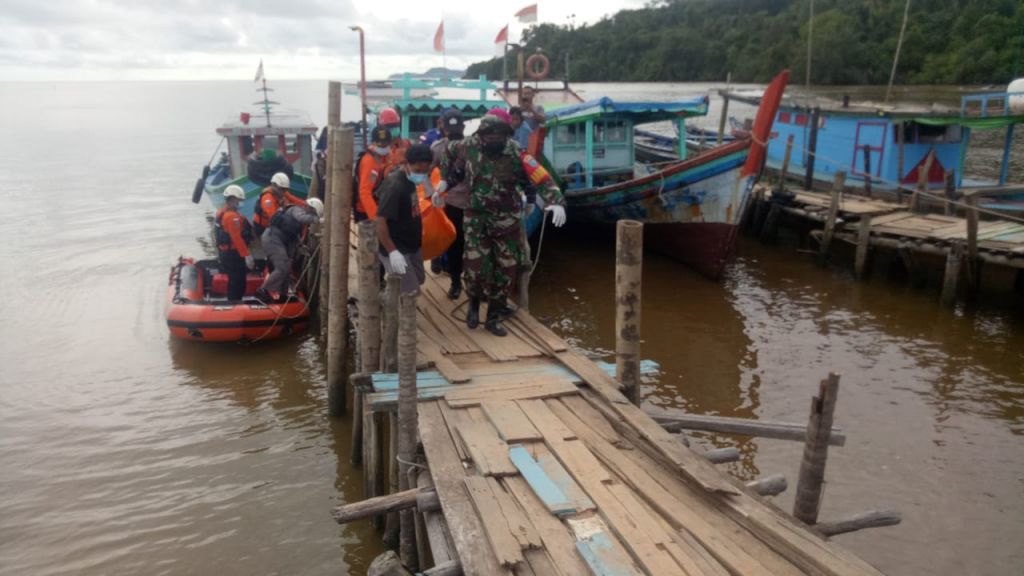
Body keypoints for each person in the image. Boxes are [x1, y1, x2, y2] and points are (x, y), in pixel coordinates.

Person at [441, 111, 567, 336]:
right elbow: (447, 154)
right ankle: (473, 304)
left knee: (506, 270)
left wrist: (556, 201)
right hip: (476, 218)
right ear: (482, 135)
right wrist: (444, 180)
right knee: (475, 267)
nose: (494, 141)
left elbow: (541, 176)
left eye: (499, 138)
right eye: (490, 137)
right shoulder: (467, 145)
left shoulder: (517, 153)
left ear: (506, 136)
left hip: (506, 221)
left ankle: (493, 317)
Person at [376, 144, 434, 295]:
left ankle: (392, 293)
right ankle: (398, 314)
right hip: (396, 245)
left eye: (424, 171)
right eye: (418, 171)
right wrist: (392, 252)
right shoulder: (395, 186)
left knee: (419, 278)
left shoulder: (411, 181)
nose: (421, 175)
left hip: (412, 244)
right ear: (406, 164)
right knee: (410, 291)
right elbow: (380, 221)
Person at [254, 198, 323, 304]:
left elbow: (292, 234)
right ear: (310, 207)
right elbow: (301, 218)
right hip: (272, 238)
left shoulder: (297, 219)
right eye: (313, 213)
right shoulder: (296, 210)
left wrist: (301, 246)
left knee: (287, 267)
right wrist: (318, 219)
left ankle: (283, 295)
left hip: (278, 240)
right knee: (282, 266)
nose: (312, 215)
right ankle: (263, 290)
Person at [430, 108, 468, 299]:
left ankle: (475, 282)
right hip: (450, 203)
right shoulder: (437, 148)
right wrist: (431, 195)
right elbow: (426, 171)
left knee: (476, 246)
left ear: (463, 126)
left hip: (474, 204)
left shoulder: (473, 146)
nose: (453, 132)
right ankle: (455, 281)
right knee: (455, 242)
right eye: (449, 128)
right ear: (444, 128)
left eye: (457, 127)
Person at [215, 185, 255, 301]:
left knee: (236, 278)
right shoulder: (231, 217)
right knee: (237, 279)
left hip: (227, 253)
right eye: (239, 200)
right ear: (232, 200)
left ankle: (235, 300)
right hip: (233, 254)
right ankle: (234, 302)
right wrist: (247, 256)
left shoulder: (223, 212)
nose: (240, 203)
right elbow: (237, 238)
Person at [354, 126, 394, 221]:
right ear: (374, 143)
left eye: (385, 144)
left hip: (381, 206)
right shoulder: (370, 162)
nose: (383, 146)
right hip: (367, 211)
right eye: (380, 144)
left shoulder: (387, 156)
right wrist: (376, 217)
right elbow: (365, 192)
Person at [378, 107, 410, 174]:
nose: (393, 128)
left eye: (395, 125)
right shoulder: (379, 148)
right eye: (389, 126)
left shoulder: (406, 144)